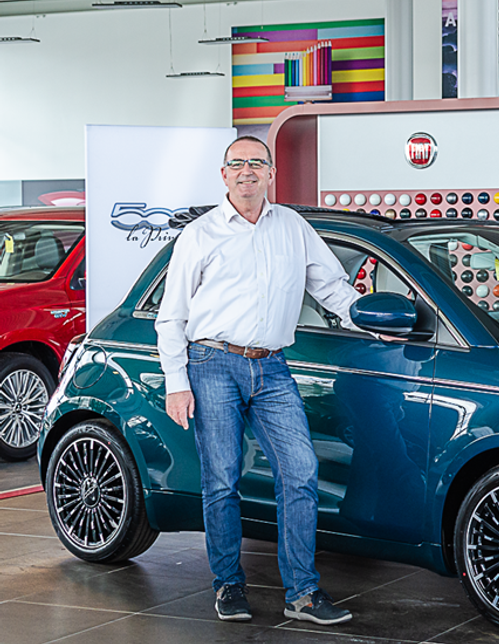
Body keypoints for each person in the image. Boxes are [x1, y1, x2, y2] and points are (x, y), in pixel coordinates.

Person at [155, 135, 359, 625]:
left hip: (272, 366)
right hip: (211, 364)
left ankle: (303, 594)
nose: (247, 171)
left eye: (257, 163)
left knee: (302, 471)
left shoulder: (292, 226)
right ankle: (228, 585)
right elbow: (171, 316)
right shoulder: (199, 236)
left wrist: (372, 317)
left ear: (271, 173)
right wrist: (176, 381)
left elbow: (331, 287)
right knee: (222, 479)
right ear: (223, 175)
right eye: (237, 164)